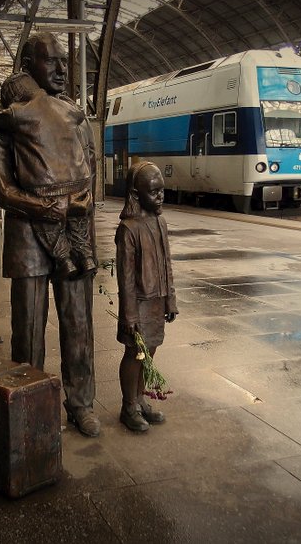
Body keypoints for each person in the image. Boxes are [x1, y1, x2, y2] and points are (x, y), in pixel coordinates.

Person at [0, 33, 100, 437]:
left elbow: (90, 167)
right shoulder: (3, 122)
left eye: (64, 62)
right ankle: (30, 406)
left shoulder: (74, 114)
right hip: (27, 231)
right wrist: (44, 207)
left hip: (73, 223)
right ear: (28, 67)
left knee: (78, 321)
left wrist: (76, 204)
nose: (62, 70)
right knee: (29, 327)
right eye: (52, 62)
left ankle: (81, 403)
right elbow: (2, 190)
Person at [0, 71, 96, 279]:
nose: (61, 69)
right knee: (78, 224)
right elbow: (79, 112)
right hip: (78, 183)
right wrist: (63, 99)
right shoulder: (66, 108)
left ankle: (63, 259)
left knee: (49, 227)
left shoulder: (19, 111)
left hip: (47, 187)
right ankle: (86, 256)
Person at [115, 161, 178, 432]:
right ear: (136, 194)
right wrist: (128, 313)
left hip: (157, 299)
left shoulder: (160, 222)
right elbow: (125, 278)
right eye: (153, 192)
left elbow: (167, 264)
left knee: (149, 350)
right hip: (137, 303)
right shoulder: (128, 229)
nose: (160, 197)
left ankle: (140, 400)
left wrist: (170, 298)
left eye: (161, 191)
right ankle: (128, 406)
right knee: (135, 353)